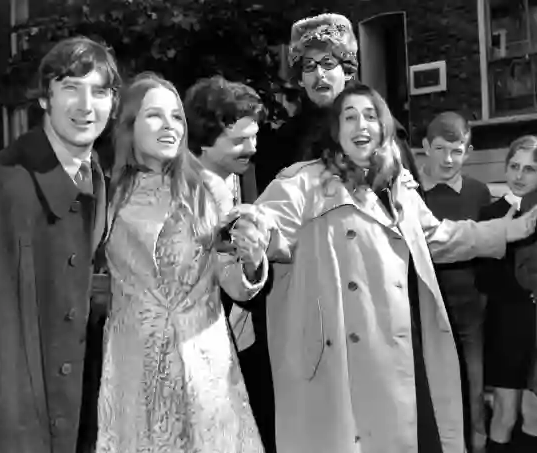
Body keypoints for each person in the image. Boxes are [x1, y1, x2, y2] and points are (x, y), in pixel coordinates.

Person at [229, 83, 537, 453]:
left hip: (401, 347)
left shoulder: (398, 186)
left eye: (371, 116)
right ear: (335, 130)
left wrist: (510, 229)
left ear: (383, 128)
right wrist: (252, 236)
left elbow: (438, 238)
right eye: (350, 116)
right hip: (342, 359)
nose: (362, 124)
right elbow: (268, 224)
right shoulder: (304, 182)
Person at [0, 36, 120, 453]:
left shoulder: (95, 179)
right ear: (45, 99)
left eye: (99, 91)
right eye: (71, 88)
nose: (86, 106)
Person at [95, 72, 269, 453]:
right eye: (155, 115)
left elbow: (237, 284)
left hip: (203, 365)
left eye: (176, 116)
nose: (170, 125)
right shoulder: (107, 194)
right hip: (132, 366)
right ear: (129, 125)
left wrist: (254, 261)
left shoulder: (208, 189)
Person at [183, 75, 276, 452]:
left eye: (254, 137)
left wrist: (254, 262)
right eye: (239, 140)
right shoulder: (184, 189)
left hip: (243, 342)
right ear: (206, 135)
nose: (251, 148)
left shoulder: (242, 175)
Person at [420, 111, 492, 452]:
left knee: (474, 391)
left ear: (469, 151)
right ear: (425, 148)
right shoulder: (410, 195)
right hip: (425, 314)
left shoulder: (479, 193)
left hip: (470, 313)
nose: (448, 159)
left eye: (457, 150)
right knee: (434, 395)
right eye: (439, 149)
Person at [476, 135, 537, 453]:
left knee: (534, 416)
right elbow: (484, 280)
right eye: (514, 166)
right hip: (506, 325)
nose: (520, 175)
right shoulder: (490, 213)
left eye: (530, 169)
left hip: (534, 327)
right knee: (504, 413)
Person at [255, 13, 358, 192]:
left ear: (347, 71)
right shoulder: (285, 140)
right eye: (309, 66)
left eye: (328, 63)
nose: (319, 74)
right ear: (301, 79)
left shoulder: (375, 128)